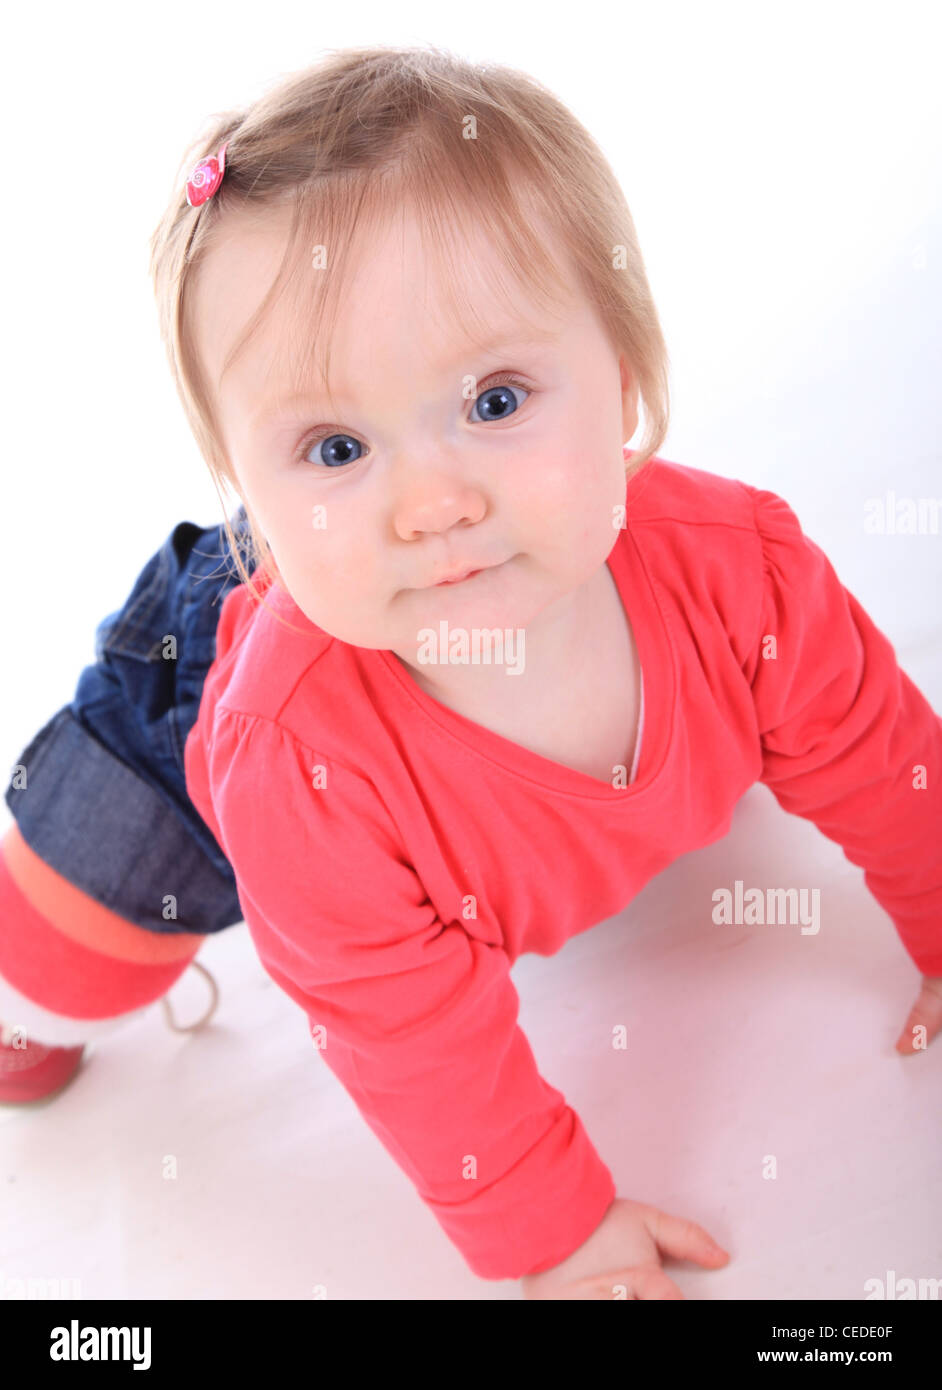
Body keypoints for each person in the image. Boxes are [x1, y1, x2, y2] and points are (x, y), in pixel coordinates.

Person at [3, 46, 941, 1299]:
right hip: (190, 726)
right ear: (249, 493)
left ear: (627, 381)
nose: (433, 502)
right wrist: (552, 1232)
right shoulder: (297, 766)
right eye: (335, 445)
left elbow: (881, 752)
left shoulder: (743, 575)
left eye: (495, 400)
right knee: (57, 971)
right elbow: (412, 1034)